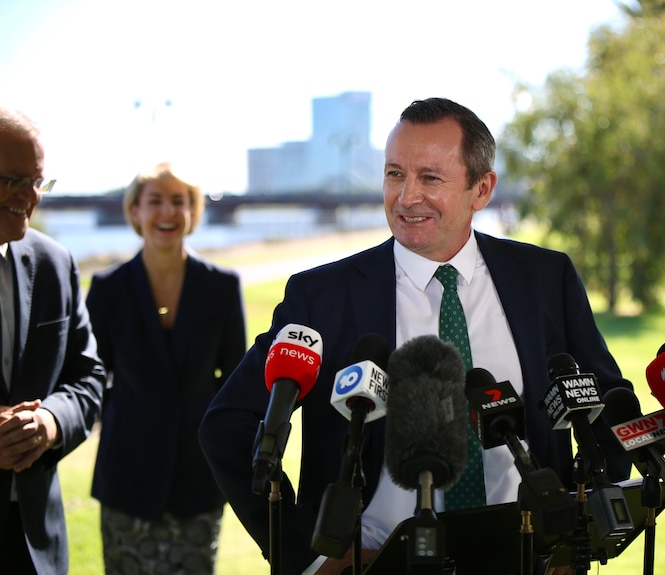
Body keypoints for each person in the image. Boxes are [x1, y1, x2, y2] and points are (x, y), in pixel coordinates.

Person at [199, 97, 633, 575]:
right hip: (379, 563)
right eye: (394, 174)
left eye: (430, 178)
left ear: (481, 189)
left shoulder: (545, 278)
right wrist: (305, 549)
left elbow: (608, 400)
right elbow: (229, 424)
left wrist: (578, 527)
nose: (407, 197)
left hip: (527, 557)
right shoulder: (322, 297)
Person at [85, 161, 246, 573]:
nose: (168, 212)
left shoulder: (222, 287)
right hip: (126, 474)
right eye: (155, 201)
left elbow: (235, 385)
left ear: (193, 212)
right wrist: (118, 418)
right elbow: (88, 376)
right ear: (135, 212)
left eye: (179, 201)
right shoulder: (107, 289)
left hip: (198, 477)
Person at [0, 107, 106, 574]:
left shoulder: (54, 262)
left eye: (40, 181)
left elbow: (89, 377)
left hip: (37, 544)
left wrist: (48, 422)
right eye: (15, 181)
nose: (32, 196)